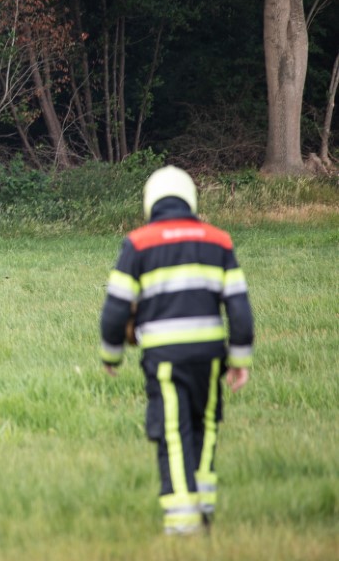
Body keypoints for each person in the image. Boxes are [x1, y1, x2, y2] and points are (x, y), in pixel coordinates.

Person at [99, 165, 253, 536]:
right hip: (210, 357)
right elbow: (239, 307)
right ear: (190, 199)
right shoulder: (219, 241)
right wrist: (240, 358)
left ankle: (183, 521)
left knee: (173, 431)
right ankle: (204, 505)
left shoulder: (138, 243)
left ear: (151, 202)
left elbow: (117, 307)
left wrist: (111, 353)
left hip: (164, 358)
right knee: (205, 427)